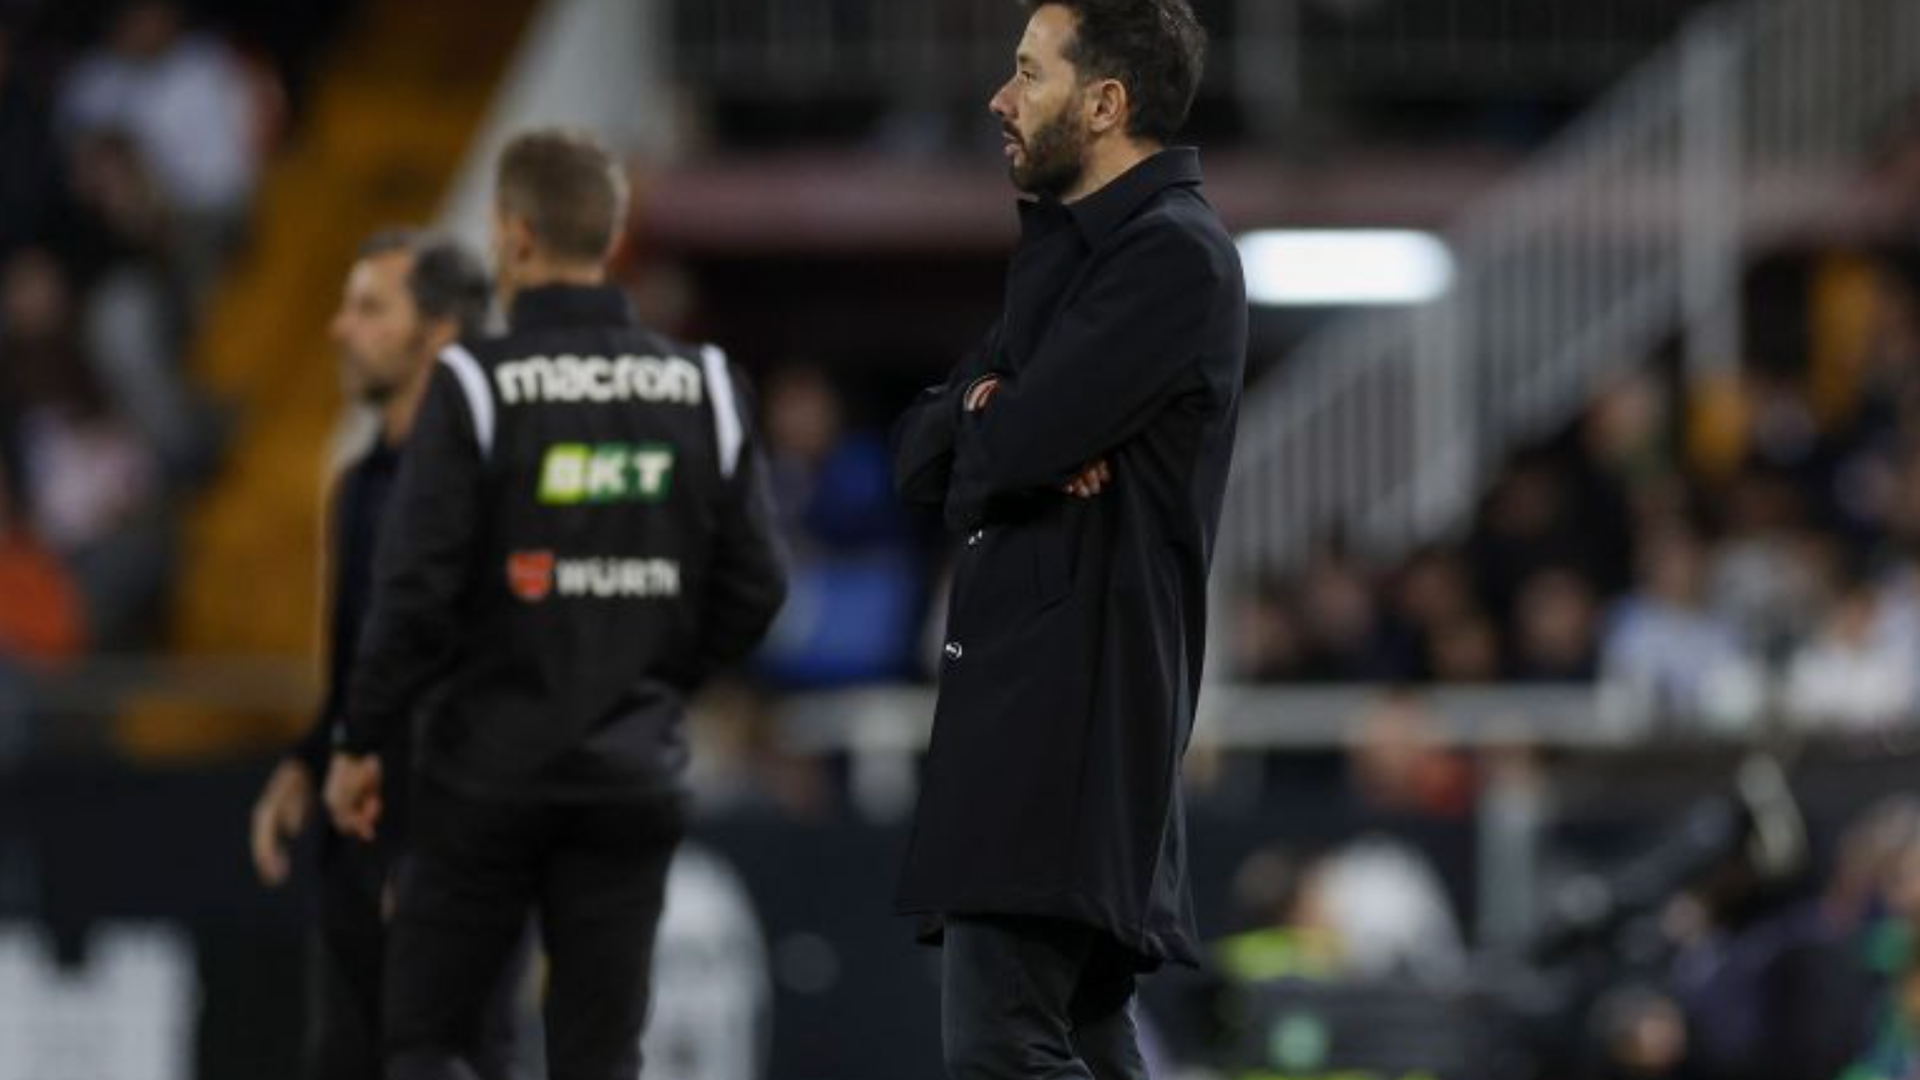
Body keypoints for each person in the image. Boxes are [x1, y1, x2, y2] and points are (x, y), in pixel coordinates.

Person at [323, 128, 786, 1080]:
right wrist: (656, 675)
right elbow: (760, 586)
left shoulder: (474, 385)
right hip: (631, 771)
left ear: (515, 235)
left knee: (429, 1039)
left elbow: (411, 596)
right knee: (600, 1052)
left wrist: (361, 741)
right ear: (611, 236)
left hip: (483, 776)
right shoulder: (705, 384)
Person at [888, 2, 1246, 1077]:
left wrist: (1002, 425)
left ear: (1105, 103)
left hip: (1074, 714)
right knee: (1081, 1044)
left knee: (1003, 1046)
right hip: (1043, 709)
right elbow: (924, 456)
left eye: (1027, 74)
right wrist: (996, 414)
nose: (1000, 99)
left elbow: (998, 455)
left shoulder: (1172, 258)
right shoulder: (1074, 255)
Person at [246, 229, 518, 1080]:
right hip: (357, 837)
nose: (338, 328)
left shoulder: (497, 480)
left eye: (369, 308)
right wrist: (307, 756)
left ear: (436, 332)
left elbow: (502, 682)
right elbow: (364, 659)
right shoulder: (361, 481)